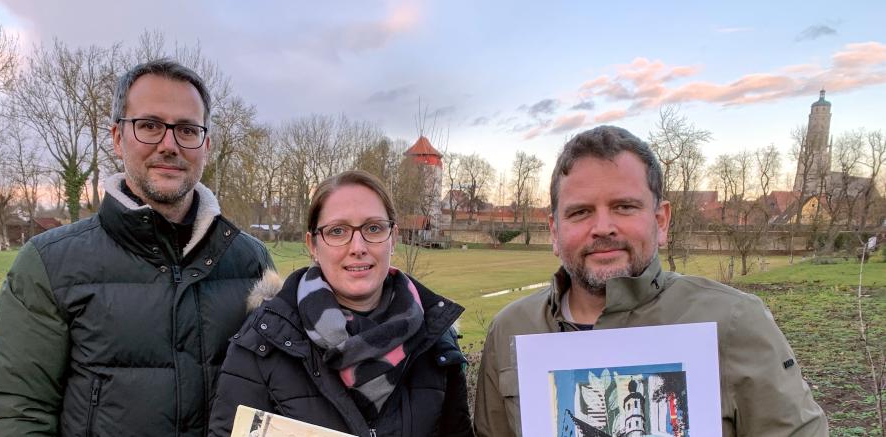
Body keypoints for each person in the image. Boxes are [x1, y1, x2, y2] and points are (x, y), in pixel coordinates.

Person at [0, 59, 274, 436]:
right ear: (118, 138)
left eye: (187, 129)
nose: (169, 145)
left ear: (206, 144)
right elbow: (21, 416)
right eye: (150, 125)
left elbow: (276, 393)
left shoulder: (252, 263)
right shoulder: (49, 265)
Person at [474, 126, 827, 436]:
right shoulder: (511, 330)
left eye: (624, 207)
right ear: (554, 231)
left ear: (661, 221)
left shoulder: (734, 322)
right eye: (580, 212)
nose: (603, 227)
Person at [209, 170, 474, 437]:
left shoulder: (437, 341)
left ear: (393, 238)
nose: (358, 247)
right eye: (337, 231)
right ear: (313, 245)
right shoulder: (263, 341)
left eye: (373, 228)